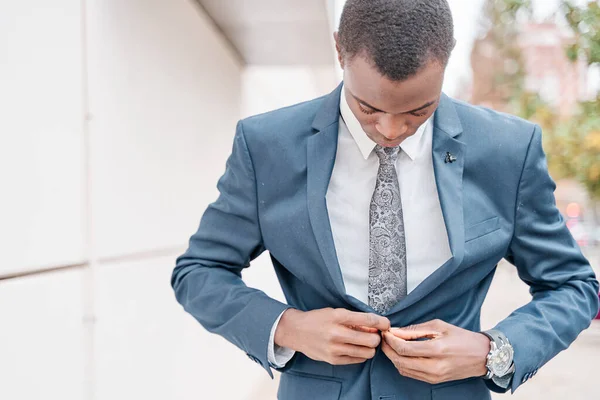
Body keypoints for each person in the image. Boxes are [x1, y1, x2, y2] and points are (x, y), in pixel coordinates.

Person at [171, 0, 599, 398]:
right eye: (368, 108)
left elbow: (574, 285)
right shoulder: (267, 146)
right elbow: (199, 272)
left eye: (418, 110)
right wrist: (288, 328)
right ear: (340, 51)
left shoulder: (507, 150)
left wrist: (493, 349)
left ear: (447, 60)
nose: (392, 130)